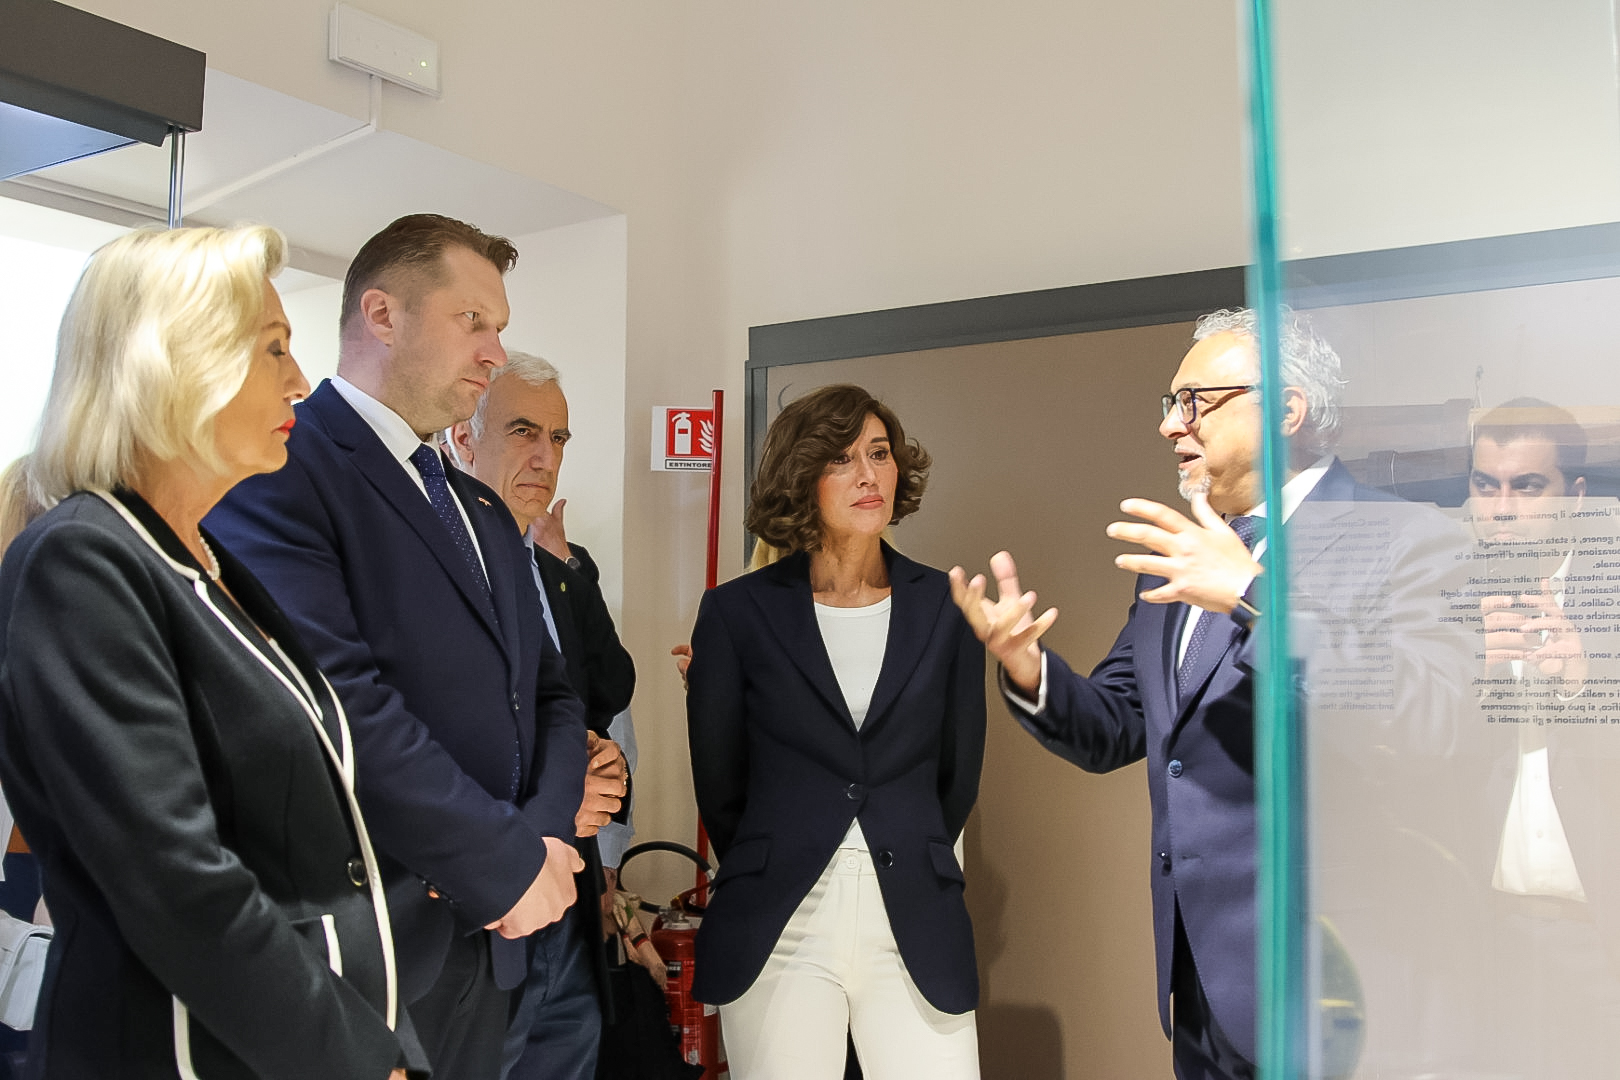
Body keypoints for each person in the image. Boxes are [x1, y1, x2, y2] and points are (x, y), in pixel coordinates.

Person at [950, 308, 1468, 1080]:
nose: (1171, 425)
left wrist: (1254, 596)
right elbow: (1117, 725)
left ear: (1286, 410)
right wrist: (1029, 670)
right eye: (1170, 403)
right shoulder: (1182, 560)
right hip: (1199, 982)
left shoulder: (1405, 537)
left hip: (1333, 985)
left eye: (1195, 401)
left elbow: (1429, 718)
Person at [0, 225, 419, 1077]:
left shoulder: (204, 561)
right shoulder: (82, 559)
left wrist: (386, 1045)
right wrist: (363, 1063)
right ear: (174, 365)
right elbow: (177, 882)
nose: (300, 381)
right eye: (274, 348)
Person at [206, 214, 593, 1080]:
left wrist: (538, 840)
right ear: (383, 315)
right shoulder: (283, 469)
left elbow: (551, 695)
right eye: (473, 322)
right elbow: (336, 701)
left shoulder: (479, 509)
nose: (495, 352)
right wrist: (503, 862)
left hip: (495, 936)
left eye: (500, 328)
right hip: (367, 934)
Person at [686, 383, 986, 1079]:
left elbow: (957, 774)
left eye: (879, 454)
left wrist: (904, 836)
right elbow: (721, 785)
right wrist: (782, 846)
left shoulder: (947, 607)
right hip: (782, 918)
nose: (868, 475)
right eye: (842, 459)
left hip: (912, 910)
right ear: (802, 477)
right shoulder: (736, 613)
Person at [448, 351, 635, 1080]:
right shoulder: (438, 569)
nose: (545, 457)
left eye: (558, 438)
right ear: (464, 438)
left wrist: (603, 766)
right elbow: (429, 737)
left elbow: (597, 696)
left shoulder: (556, 572)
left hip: (570, 903)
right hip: (482, 906)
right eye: (523, 431)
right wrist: (559, 798)